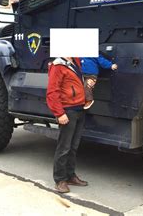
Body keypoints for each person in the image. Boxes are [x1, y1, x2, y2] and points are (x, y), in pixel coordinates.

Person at [46, 57, 89, 193]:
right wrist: (59, 113)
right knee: (64, 147)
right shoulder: (58, 65)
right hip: (68, 111)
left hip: (79, 109)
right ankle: (60, 180)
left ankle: (70, 176)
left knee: (73, 147)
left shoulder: (75, 61)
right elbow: (52, 92)